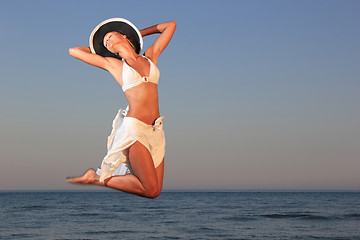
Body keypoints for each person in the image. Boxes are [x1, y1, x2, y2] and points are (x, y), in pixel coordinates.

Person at [66, 19, 176, 199]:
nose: (106, 42)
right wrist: (100, 51)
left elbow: (170, 25)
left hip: (156, 130)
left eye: (108, 36)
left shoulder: (150, 56)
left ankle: (97, 178)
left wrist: (138, 33)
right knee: (148, 189)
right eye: (105, 44)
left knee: (155, 191)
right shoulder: (115, 65)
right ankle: (97, 178)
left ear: (124, 35)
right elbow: (74, 51)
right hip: (135, 130)